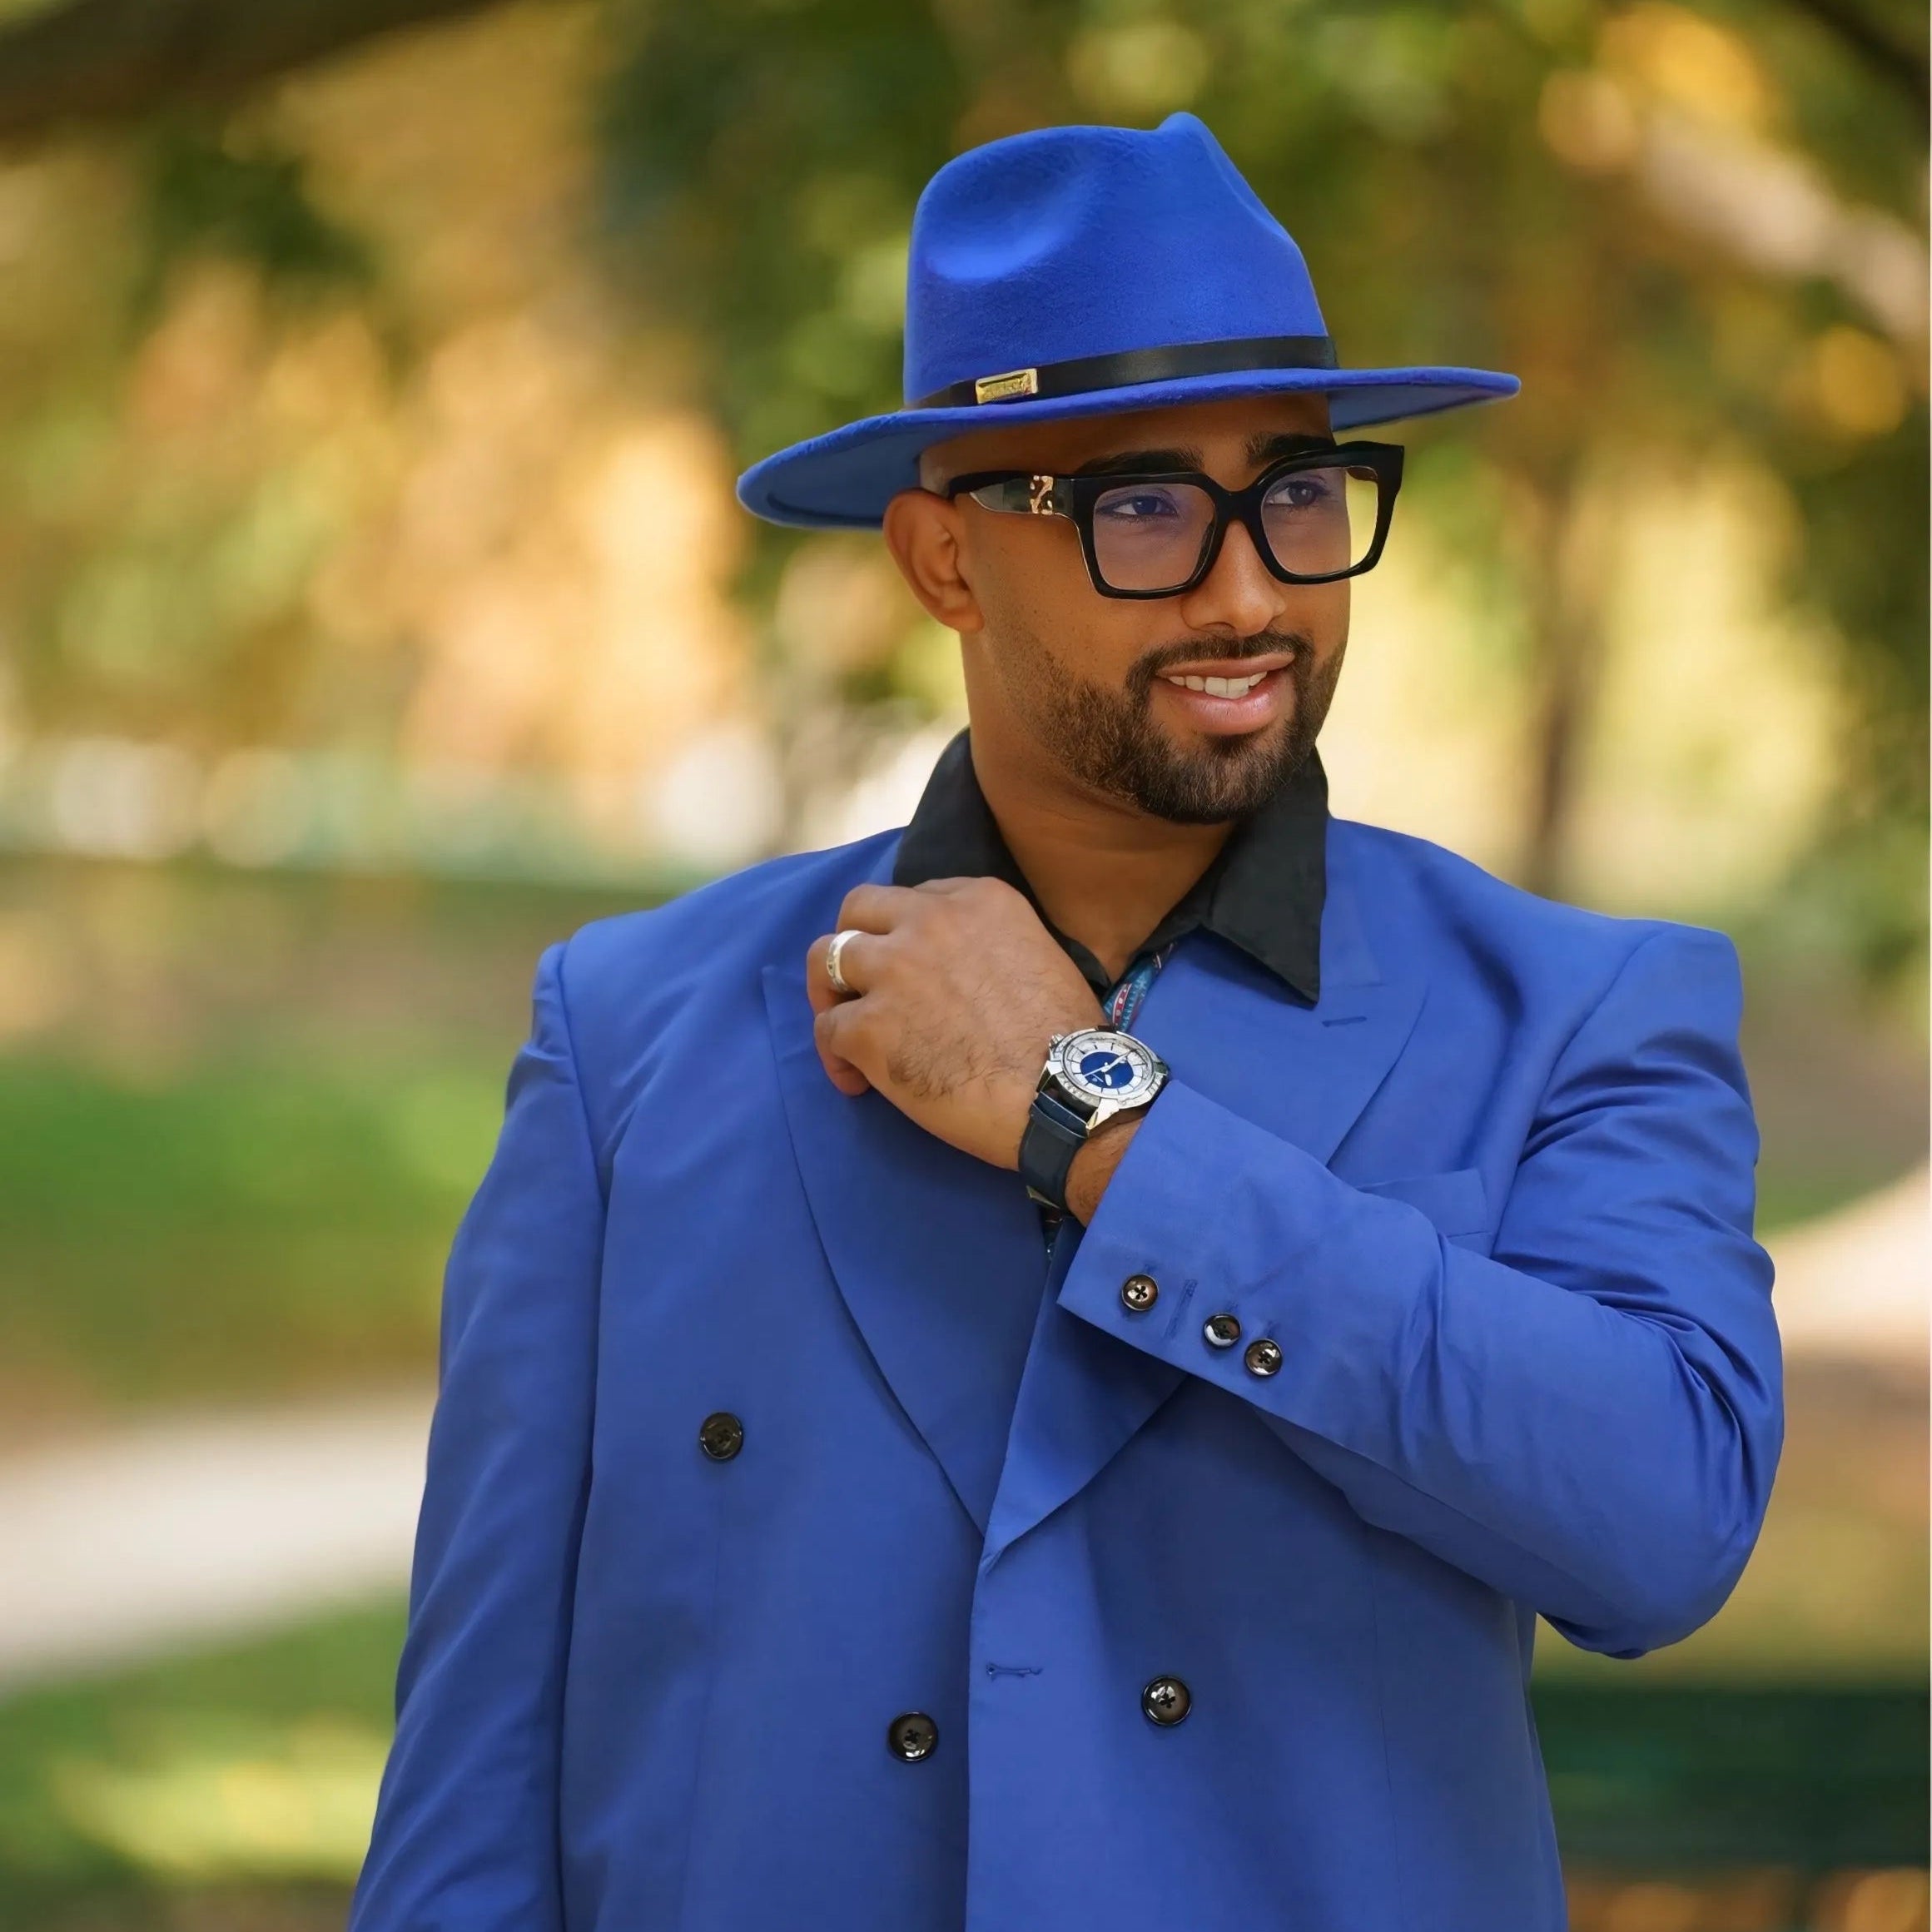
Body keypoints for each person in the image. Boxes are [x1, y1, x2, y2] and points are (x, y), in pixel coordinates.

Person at [349, 112, 1781, 1932]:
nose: (1251, 592)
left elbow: (1664, 1531)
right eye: (1144, 509)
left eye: (1298, 491)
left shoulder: (1576, 1013)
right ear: (944, 558)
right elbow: (474, 1787)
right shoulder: (628, 1041)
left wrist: (1100, 1119)